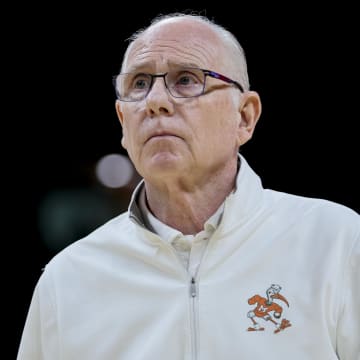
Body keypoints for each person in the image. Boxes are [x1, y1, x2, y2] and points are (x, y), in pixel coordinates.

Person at [17, 12, 359, 360]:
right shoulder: (68, 281)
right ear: (123, 120)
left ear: (245, 116)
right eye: (138, 84)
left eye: (186, 79)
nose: (155, 102)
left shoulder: (338, 243)